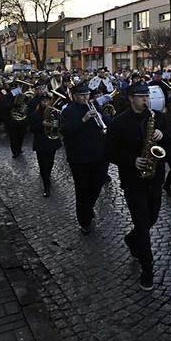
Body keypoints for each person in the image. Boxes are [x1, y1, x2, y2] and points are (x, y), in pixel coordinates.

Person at [105, 82, 169, 291]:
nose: (146, 101)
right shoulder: (118, 123)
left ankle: (132, 240)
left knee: (152, 218)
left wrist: (162, 135)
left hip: (155, 178)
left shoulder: (157, 118)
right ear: (131, 98)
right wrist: (131, 160)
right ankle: (147, 268)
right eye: (141, 97)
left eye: (147, 97)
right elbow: (108, 152)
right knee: (143, 225)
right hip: (133, 181)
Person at [59, 82, 109, 233]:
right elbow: (66, 131)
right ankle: (84, 221)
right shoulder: (68, 112)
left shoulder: (96, 108)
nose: (85, 97)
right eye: (82, 95)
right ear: (74, 96)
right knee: (82, 189)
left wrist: (103, 117)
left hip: (98, 155)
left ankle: (88, 207)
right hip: (79, 157)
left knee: (96, 185)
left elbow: (110, 124)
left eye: (87, 94)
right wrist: (83, 120)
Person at [29, 93, 63, 198]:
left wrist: (54, 125)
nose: (46, 103)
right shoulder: (35, 114)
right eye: (44, 101)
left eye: (48, 101)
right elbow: (32, 129)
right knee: (43, 164)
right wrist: (42, 124)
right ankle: (46, 186)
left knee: (50, 163)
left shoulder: (55, 113)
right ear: (40, 102)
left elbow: (59, 125)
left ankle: (47, 176)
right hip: (41, 142)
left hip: (51, 141)